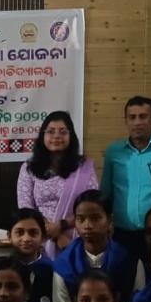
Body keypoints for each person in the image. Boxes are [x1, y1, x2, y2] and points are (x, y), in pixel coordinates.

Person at [101, 96, 151, 269]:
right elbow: (106, 193)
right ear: (126, 121)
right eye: (132, 117)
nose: (137, 122)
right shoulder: (113, 151)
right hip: (122, 233)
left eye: (143, 116)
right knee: (124, 279)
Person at [52, 191, 145, 302]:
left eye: (95, 218)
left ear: (109, 220)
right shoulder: (64, 264)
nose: (87, 225)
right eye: (81, 219)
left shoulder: (129, 261)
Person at [17, 111, 99, 260]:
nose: (56, 136)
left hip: (76, 238)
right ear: (43, 136)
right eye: (50, 131)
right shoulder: (29, 168)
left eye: (63, 132)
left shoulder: (84, 167)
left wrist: (62, 225)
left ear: (71, 136)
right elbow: (25, 207)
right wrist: (56, 235)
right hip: (39, 239)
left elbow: (92, 205)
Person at [8, 208, 56, 302]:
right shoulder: (1, 270)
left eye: (33, 233)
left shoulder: (53, 271)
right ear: (9, 236)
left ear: (43, 237)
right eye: (19, 233)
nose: (26, 239)